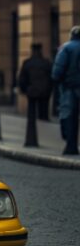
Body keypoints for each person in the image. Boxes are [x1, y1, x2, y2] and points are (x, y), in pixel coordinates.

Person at [51, 27, 80, 155]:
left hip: (70, 88)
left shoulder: (66, 48)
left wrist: (56, 79)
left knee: (68, 115)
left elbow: (58, 70)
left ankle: (71, 145)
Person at [18, 43, 53, 122]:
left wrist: (24, 89)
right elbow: (51, 77)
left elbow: (22, 78)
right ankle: (43, 122)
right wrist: (50, 89)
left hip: (31, 90)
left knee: (32, 111)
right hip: (44, 91)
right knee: (43, 112)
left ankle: (32, 126)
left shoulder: (27, 63)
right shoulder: (46, 63)